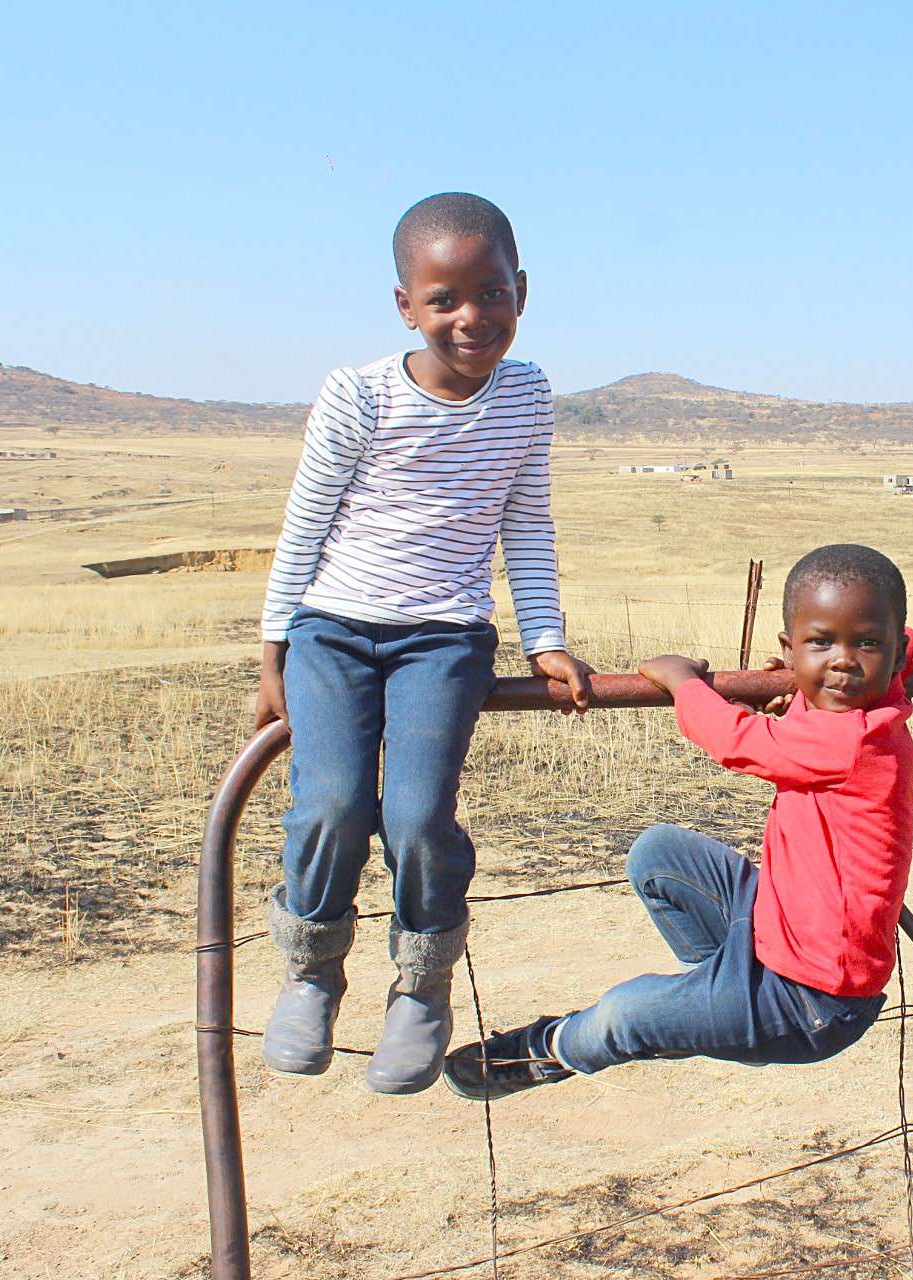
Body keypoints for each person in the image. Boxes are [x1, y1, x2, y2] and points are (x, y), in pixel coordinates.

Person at [252, 193, 594, 1095]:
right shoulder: (359, 393)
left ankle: (422, 985)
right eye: (444, 300)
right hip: (334, 632)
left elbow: (526, 519)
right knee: (328, 804)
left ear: (523, 291)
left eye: (491, 294)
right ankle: (313, 970)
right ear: (406, 305)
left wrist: (546, 638)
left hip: (444, 638)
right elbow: (305, 522)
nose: (470, 318)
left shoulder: (526, 394)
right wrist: (274, 647)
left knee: (413, 816)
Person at [443, 545, 913, 1099]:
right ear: (789, 650)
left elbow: (736, 739)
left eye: (868, 643)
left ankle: (547, 1050)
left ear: (889, 649)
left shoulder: (859, 737)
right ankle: (710, 996)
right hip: (773, 931)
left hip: (812, 1000)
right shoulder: (873, 684)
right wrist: (801, 688)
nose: (843, 660)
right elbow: (903, 646)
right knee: (660, 853)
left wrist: (681, 682)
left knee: (624, 1014)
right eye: (821, 643)